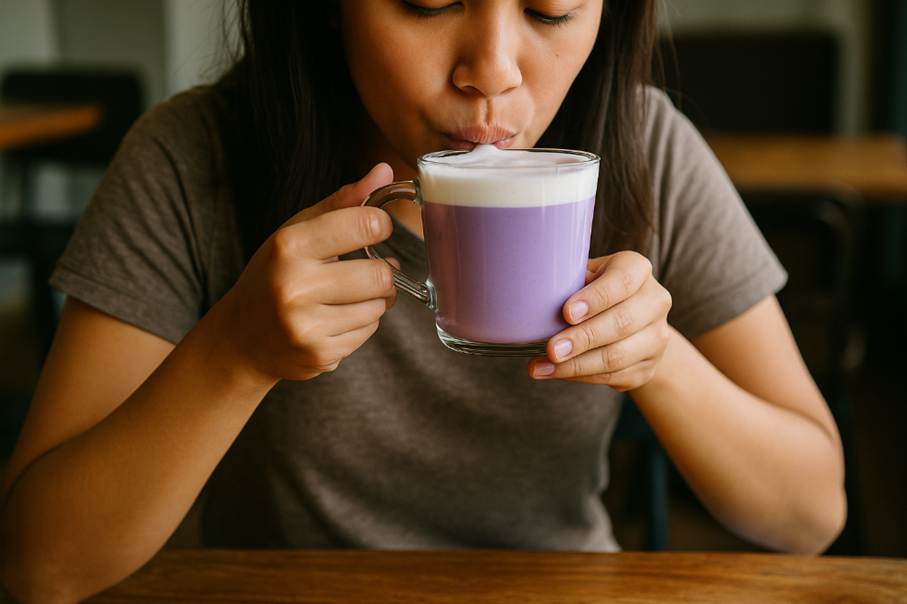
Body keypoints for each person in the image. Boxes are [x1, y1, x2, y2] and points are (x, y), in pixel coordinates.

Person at [1, 0, 846, 600]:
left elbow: (810, 513)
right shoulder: (195, 157)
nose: (493, 73)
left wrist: (658, 360)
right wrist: (232, 356)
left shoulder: (643, 148)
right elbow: (39, 566)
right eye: (427, 1)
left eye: (549, 13)